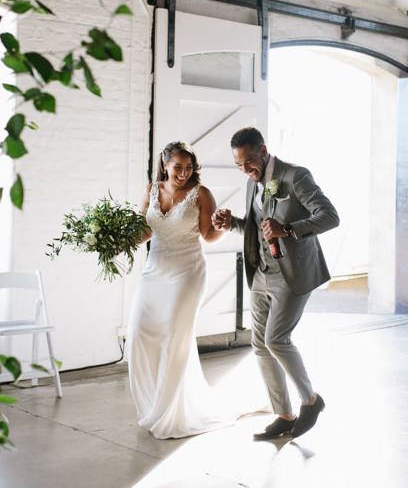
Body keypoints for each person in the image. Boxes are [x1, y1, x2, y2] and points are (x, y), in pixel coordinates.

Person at [212, 127, 339, 440]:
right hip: (261, 273)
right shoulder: (251, 183)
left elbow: (330, 216)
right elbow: (258, 228)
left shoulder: (295, 176)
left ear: (264, 150)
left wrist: (290, 229)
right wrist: (233, 224)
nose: (246, 170)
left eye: (250, 162)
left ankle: (311, 400)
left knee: (276, 339)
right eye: (239, 165)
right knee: (259, 344)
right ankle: (283, 414)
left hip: (292, 273)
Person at [127, 141, 235, 439]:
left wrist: (224, 226)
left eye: (189, 168)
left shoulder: (201, 194)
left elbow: (208, 235)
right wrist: (115, 240)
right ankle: (152, 406)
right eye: (178, 167)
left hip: (187, 272)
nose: (183, 173)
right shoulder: (152, 189)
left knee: (175, 340)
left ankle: (172, 414)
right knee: (139, 335)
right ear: (165, 165)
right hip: (154, 272)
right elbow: (146, 230)